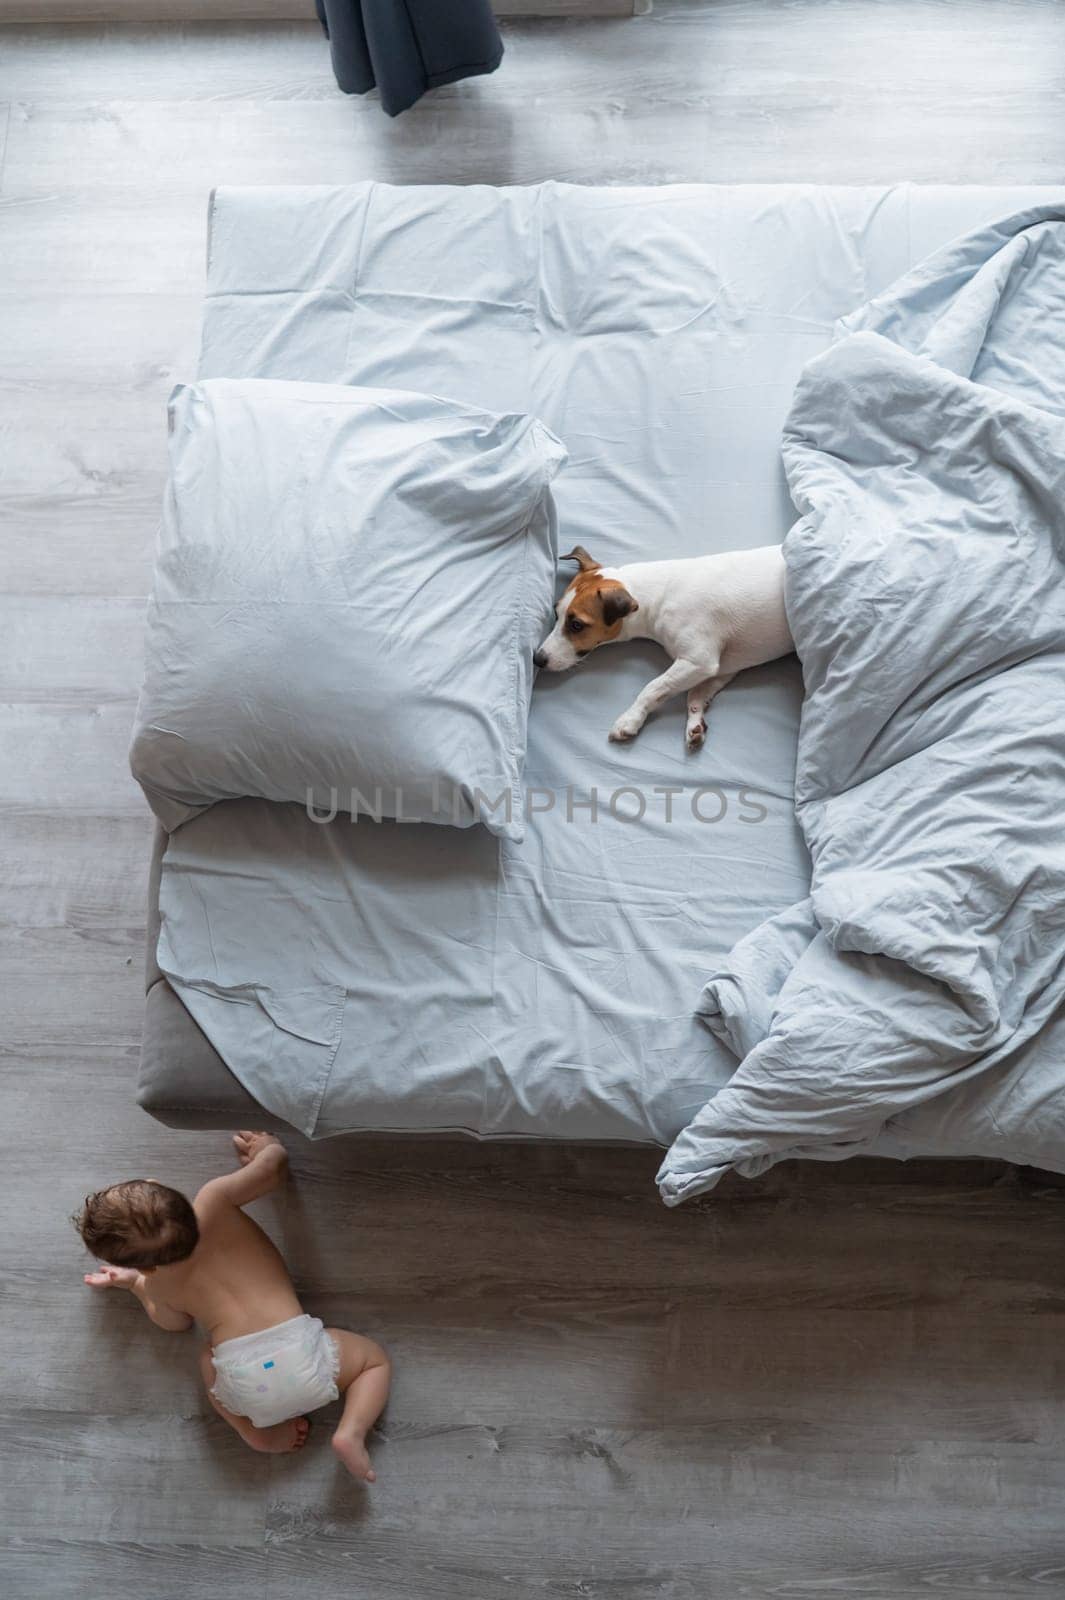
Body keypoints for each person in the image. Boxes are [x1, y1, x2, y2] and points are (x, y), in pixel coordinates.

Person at [73, 1131, 390, 1481]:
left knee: (207, 1359)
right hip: (301, 1351)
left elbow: (174, 1324)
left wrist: (135, 1284)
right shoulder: (216, 1199)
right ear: (160, 1185)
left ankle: (249, 1429)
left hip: (250, 1387)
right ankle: (352, 1431)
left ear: (144, 1266)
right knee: (371, 1362)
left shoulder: (159, 1283)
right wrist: (266, 1149)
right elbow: (273, 1170)